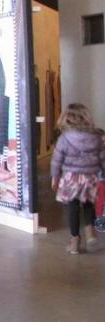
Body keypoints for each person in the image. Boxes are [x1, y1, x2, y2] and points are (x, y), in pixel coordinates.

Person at [51, 103, 105, 255]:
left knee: (72, 208)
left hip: (71, 178)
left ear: (66, 119)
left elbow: (56, 159)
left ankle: (74, 242)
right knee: (89, 205)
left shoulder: (64, 138)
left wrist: (55, 177)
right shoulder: (97, 137)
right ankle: (90, 231)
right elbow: (103, 158)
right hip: (91, 177)